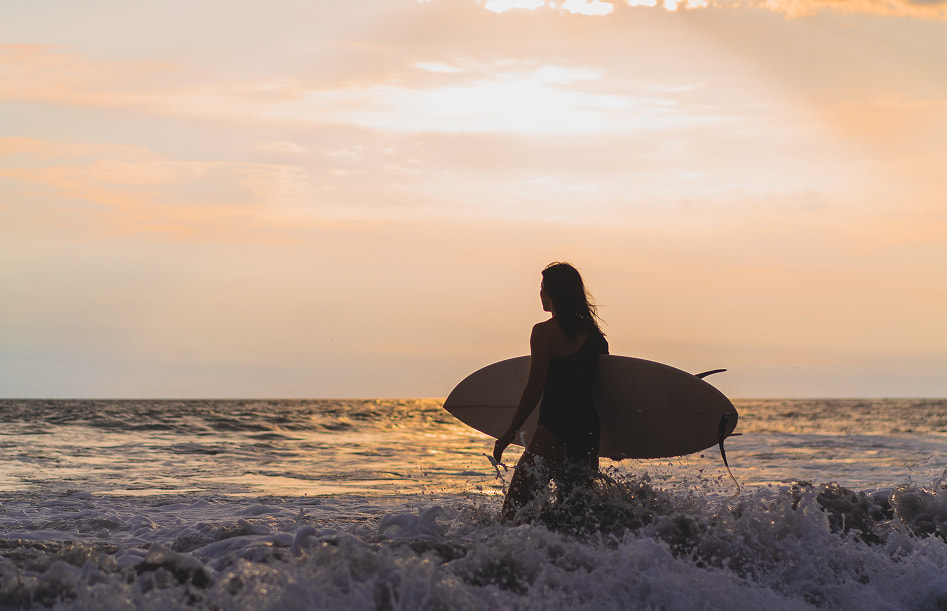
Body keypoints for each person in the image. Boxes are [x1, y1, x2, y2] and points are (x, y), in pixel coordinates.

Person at [493, 262, 608, 520]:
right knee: (577, 517)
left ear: (554, 293)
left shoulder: (544, 332)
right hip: (588, 432)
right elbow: (605, 392)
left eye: (543, 287)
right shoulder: (596, 337)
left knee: (512, 513)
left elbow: (535, 387)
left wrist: (509, 432)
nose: (540, 293)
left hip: (554, 428)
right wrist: (616, 443)